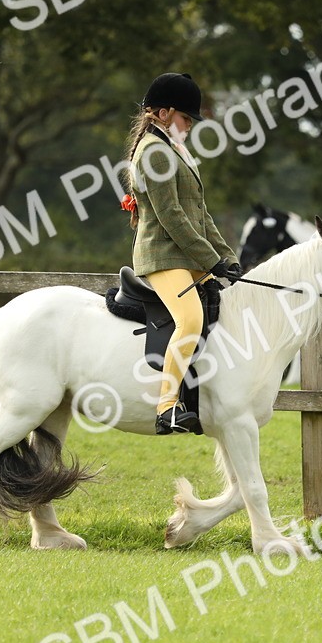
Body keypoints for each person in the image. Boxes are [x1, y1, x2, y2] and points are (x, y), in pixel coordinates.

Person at [122, 72, 242, 435]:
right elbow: (171, 216)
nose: (189, 126)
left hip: (186, 256)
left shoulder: (176, 150)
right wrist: (211, 261)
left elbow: (200, 215)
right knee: (190, 320)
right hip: (162, 256)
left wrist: (228, 257)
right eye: (186, 118)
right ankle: (167, 408)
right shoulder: (154, 152)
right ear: (163, 113)